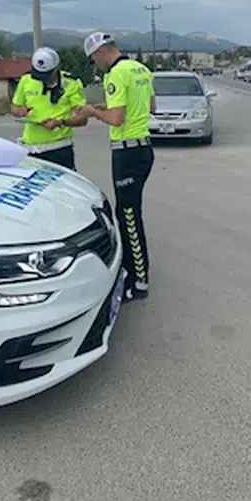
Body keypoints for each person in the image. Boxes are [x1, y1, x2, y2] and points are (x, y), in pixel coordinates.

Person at [75, 31, 156, 300]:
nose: (96, 66)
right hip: (144, 148)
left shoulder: (116, 74)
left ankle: (139, 281)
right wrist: (106, 106)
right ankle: (133, 270)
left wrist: (91, 111)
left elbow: (116, 119)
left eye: (94, 60)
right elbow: (150, 106)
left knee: (129, 217)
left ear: (100, 53)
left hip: (127, 152)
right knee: (129, 213)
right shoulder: (140, 68)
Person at [10, 47, 87, 170]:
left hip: (59, 149)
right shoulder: (26, 80)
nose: (42, 79)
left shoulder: (72, 83)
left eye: (46, 75)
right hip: (31, 150)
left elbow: (83, 119)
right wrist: (19, 112)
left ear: (57, 67)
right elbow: (14, 107)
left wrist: (60, 122)